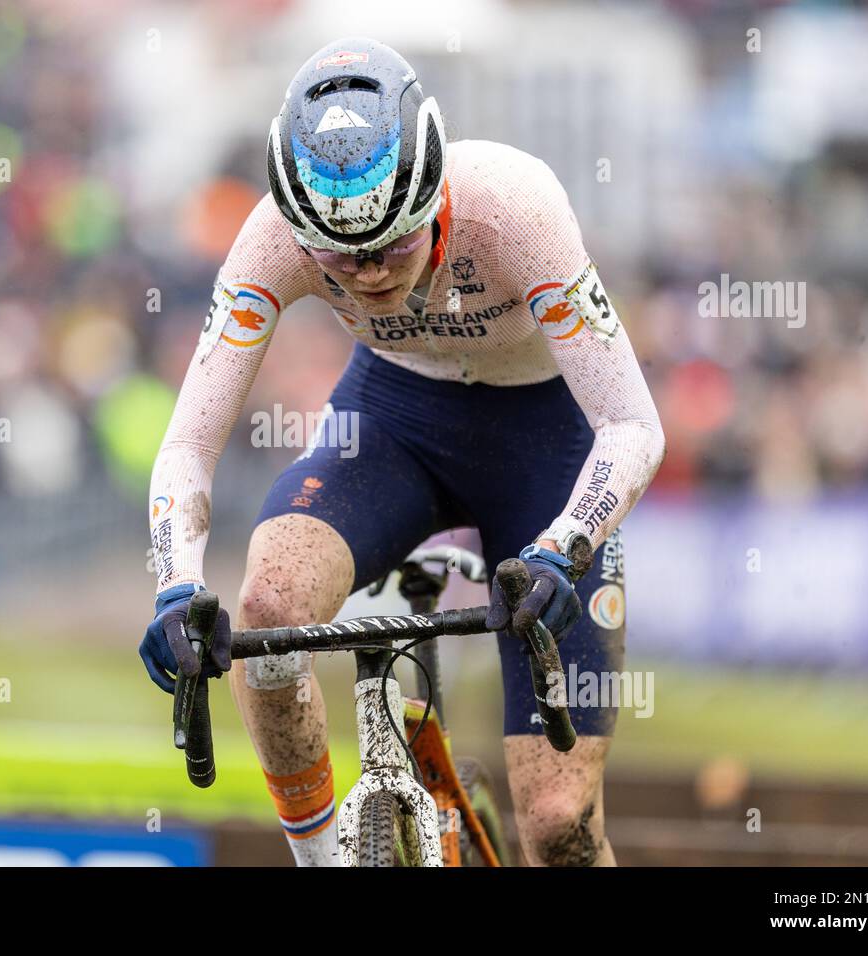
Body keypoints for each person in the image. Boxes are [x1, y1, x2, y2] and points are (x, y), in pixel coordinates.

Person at [140, 36, 665, 866]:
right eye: (339, 257)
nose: (368, 274)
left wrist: (566, 547)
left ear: (433, 198)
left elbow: (634, 426)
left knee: (560, 821)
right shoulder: (272, 234)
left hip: (546, 443)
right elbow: (188, 446)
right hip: (394, 423)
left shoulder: (515, 206)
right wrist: (175, 588)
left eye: (391, 245)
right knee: (270, 607)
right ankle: (320, 860)